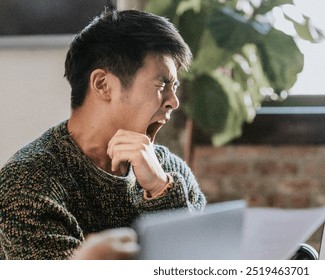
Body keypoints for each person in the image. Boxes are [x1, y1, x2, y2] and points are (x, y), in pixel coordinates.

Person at [0, 9, 206, 260]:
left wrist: (160, 189)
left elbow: (203, 262)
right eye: (162, 85)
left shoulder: (169, 172)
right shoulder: (28, 181)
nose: (173, 101)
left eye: (174, 87)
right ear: (102, 85)